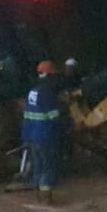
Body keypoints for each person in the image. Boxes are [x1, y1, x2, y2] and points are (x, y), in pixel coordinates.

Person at [22, 60, 65, 204]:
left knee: (38, 165)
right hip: (46, 136)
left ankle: (38, 195)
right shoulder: (48, 93)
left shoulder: (32, 92)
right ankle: (46, 198)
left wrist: (26, 137)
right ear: (49, 75)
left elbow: (27, 116)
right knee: (49, 167)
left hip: (33, 137)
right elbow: (54, 116)